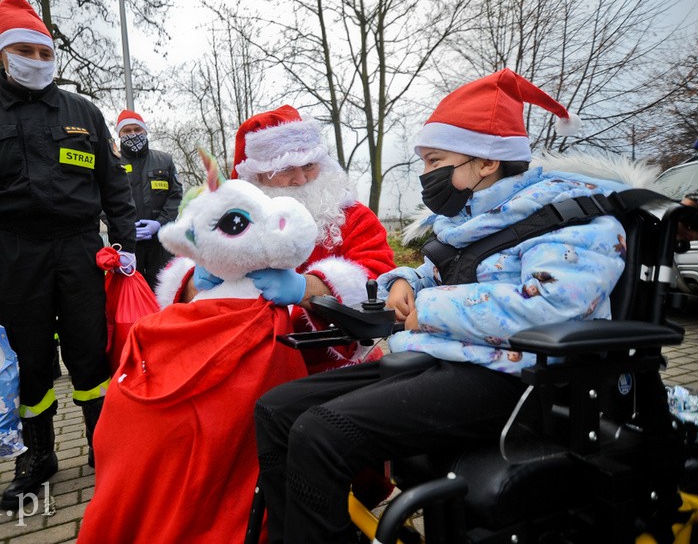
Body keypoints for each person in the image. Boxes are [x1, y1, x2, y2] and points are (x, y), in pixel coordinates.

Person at [252, 69, 633, 543]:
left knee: (319, 433)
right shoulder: (476, 218)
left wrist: (427, 308)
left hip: (519, 378)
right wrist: (400, 283)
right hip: (449, 359)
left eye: (435, 159)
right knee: (275, 409)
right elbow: (436, 272)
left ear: (486, 162)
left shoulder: (571, 216)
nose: (425, 174)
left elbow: (551, 304)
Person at [0, 0, 136, 510]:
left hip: (78, 249)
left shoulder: (83, 111)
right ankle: (38, 454)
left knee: (89, 351)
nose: (36, 61)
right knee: (28, 357)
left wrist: (123, 242)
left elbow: (113, 185)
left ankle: (103, 447)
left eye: (45, 52)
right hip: (13, 252)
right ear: (3, 54)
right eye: (25, 52)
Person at [156, 105, 396, 374]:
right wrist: (193, 283)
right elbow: (176, 279)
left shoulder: (353, 217)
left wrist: (307, 288)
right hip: (244, 366)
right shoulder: (227, 218)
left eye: (309, 165)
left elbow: (380, 278)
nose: (301, 179)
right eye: (286, 169)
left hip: (336, 367)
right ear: (256, 177)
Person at [114, 109, 184, 288]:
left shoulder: (164, 161)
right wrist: (125, 228)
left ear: (145, 131)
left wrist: (159, 223)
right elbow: (102, 200)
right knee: (130, 296)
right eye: (127, 131)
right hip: (127, 244)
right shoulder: (112, 163)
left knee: (163, 291)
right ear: (119, 134)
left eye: (137, 129)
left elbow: (175, 195)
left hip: (160, 242)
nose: (133, 134)